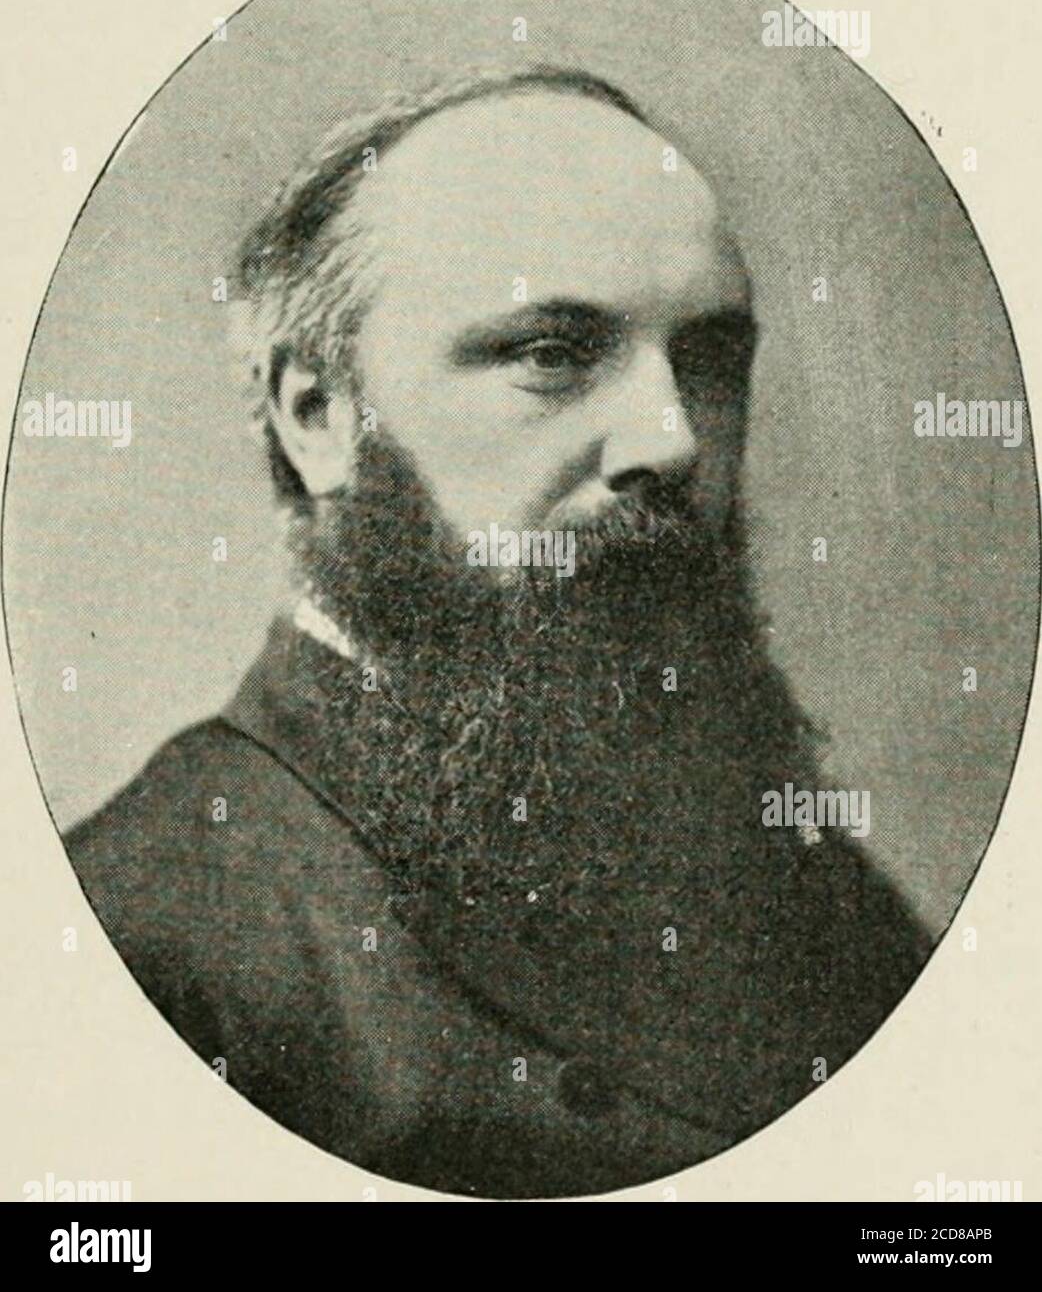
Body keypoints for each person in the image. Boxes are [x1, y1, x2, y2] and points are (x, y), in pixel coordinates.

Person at [66, 66, 931, 1199]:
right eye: (552, 353)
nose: (671, 439)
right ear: (317, 415)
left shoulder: (822, 901)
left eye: (710, 359)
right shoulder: (141, 941)